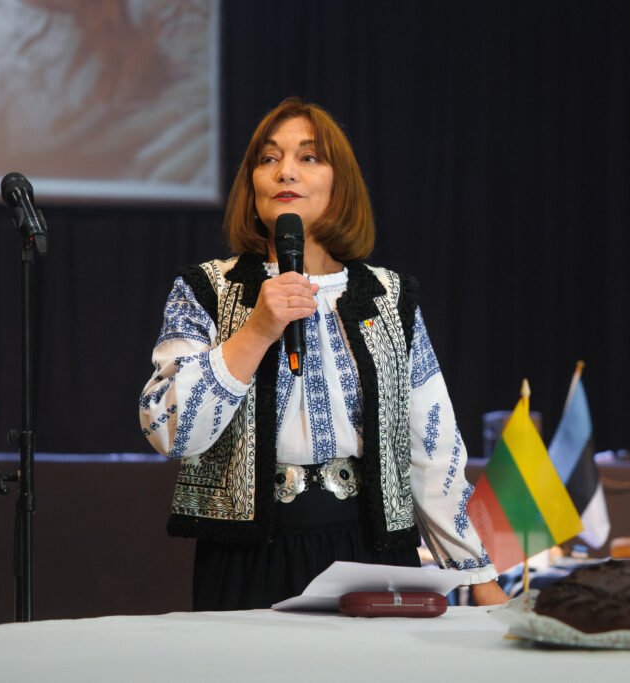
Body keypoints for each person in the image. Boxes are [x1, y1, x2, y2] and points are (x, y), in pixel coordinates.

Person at [139, 97, 507, 610]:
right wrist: (256, 331)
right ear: (251, 184)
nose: (285, 171)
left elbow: (433, 447)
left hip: (372, 550)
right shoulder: (207, 289)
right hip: (248, 556)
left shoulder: (389, 297)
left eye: (308, 157)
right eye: (268, 159)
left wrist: (478, 575)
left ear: (341, 184)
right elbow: (168, 430)